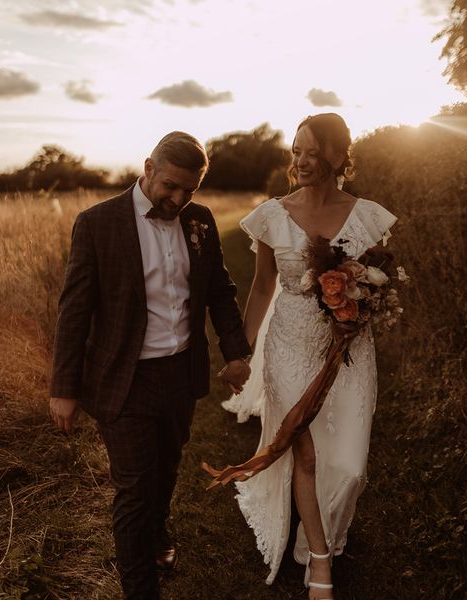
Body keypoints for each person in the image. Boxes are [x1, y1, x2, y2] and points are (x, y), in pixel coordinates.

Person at [49, 131, 252, 600]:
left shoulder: (198, 221)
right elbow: (74, 309)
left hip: (179, 372)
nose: (178, 199)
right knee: (135, 490)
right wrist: (64, 386)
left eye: (190, 190)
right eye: (171, 186)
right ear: (148, 168)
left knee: (167, 466)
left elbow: (219, 291)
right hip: (124, 378)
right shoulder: (97, 223)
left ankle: (159, 534)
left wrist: (236, 351)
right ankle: (141, 590)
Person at [223, 113, 397, 599]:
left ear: (339, 157)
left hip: (349, 346)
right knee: (307, 451)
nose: (300, 160)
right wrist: (241, 352)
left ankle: (326, 530)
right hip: (290, 344)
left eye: (312, 151)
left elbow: (379, 279)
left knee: (349, 466)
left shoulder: (368, 217)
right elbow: (261, 288)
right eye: (296, 150)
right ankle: (317, 556)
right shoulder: (272, 215)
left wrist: (362, 307)